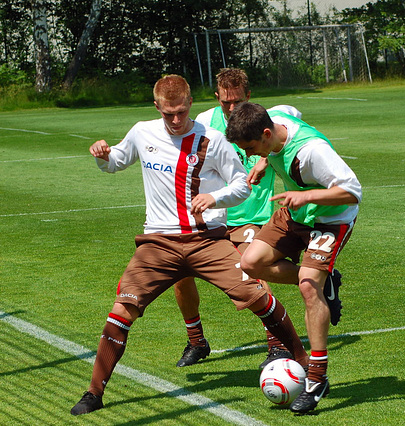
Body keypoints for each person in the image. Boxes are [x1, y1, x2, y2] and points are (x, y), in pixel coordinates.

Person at [70, 75, 308, 416]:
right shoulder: (142, 131)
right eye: (169, 114)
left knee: (259, 297)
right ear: (157, 107)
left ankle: (306, 366)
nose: (177, 120)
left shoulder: (212, 139)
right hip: (158, 243)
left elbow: (241, 185)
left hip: (207, 241)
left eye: (182, 112)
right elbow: (114, 163)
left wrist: (215, 197)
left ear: (190, 104)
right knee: (122, 310)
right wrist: (101, 154)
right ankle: (94, 393)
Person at [226, 102, 362, 413]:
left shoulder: (312, 152)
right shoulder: (278, 117)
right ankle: (327, 279)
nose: (249, 156)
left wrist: (307, 194)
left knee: (307, 286)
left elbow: (353, 190)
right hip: (294, 212)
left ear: (265, 133)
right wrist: (263, 162)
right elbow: (292, 112)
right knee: (250, 263)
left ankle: (316, 379)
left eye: (250, 148)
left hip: (331, 219)